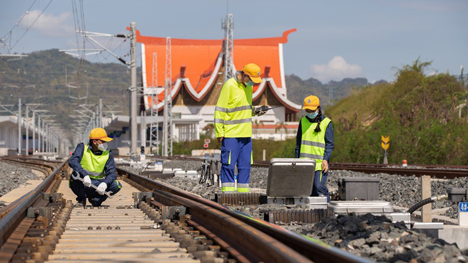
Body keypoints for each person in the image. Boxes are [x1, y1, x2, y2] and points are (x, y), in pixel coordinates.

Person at [214, 63, 267, 193]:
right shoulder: (230, 85)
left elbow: (245, 109)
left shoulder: (248, 88)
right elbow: (220, 109)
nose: (253, 84)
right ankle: (228, 194)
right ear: (245, 75)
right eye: (252, 80)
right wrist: (219, 131)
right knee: (229, 165)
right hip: (231, 134)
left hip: (246, 135)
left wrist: (257, 111)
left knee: (245, 166)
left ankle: (243, 195)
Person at [69, 128, 122, 207]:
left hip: (97, 184)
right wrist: (84, 175)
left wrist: (105, 183)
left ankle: (96, 200)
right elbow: (73, 161)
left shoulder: (108, 153)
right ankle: (81, 199)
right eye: (103, 141)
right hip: (82, 182)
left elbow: (112, 173)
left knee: (117, 185)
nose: (105, 143)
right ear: (94, 142)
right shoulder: (82, 147)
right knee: (74, 178)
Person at [295, 95, 334, 202]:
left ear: (318, 108)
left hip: (319, 164)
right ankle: (314, 213)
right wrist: (296, 161)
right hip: (304, 164)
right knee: (309, 190)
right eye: (307, 110)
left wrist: (326, 159)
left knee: (318, 187)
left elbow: (330, 144)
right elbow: (298, 145)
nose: (309, 112)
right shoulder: (303, 122)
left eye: (311, 110)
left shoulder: (326, 123)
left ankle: (327, 208)